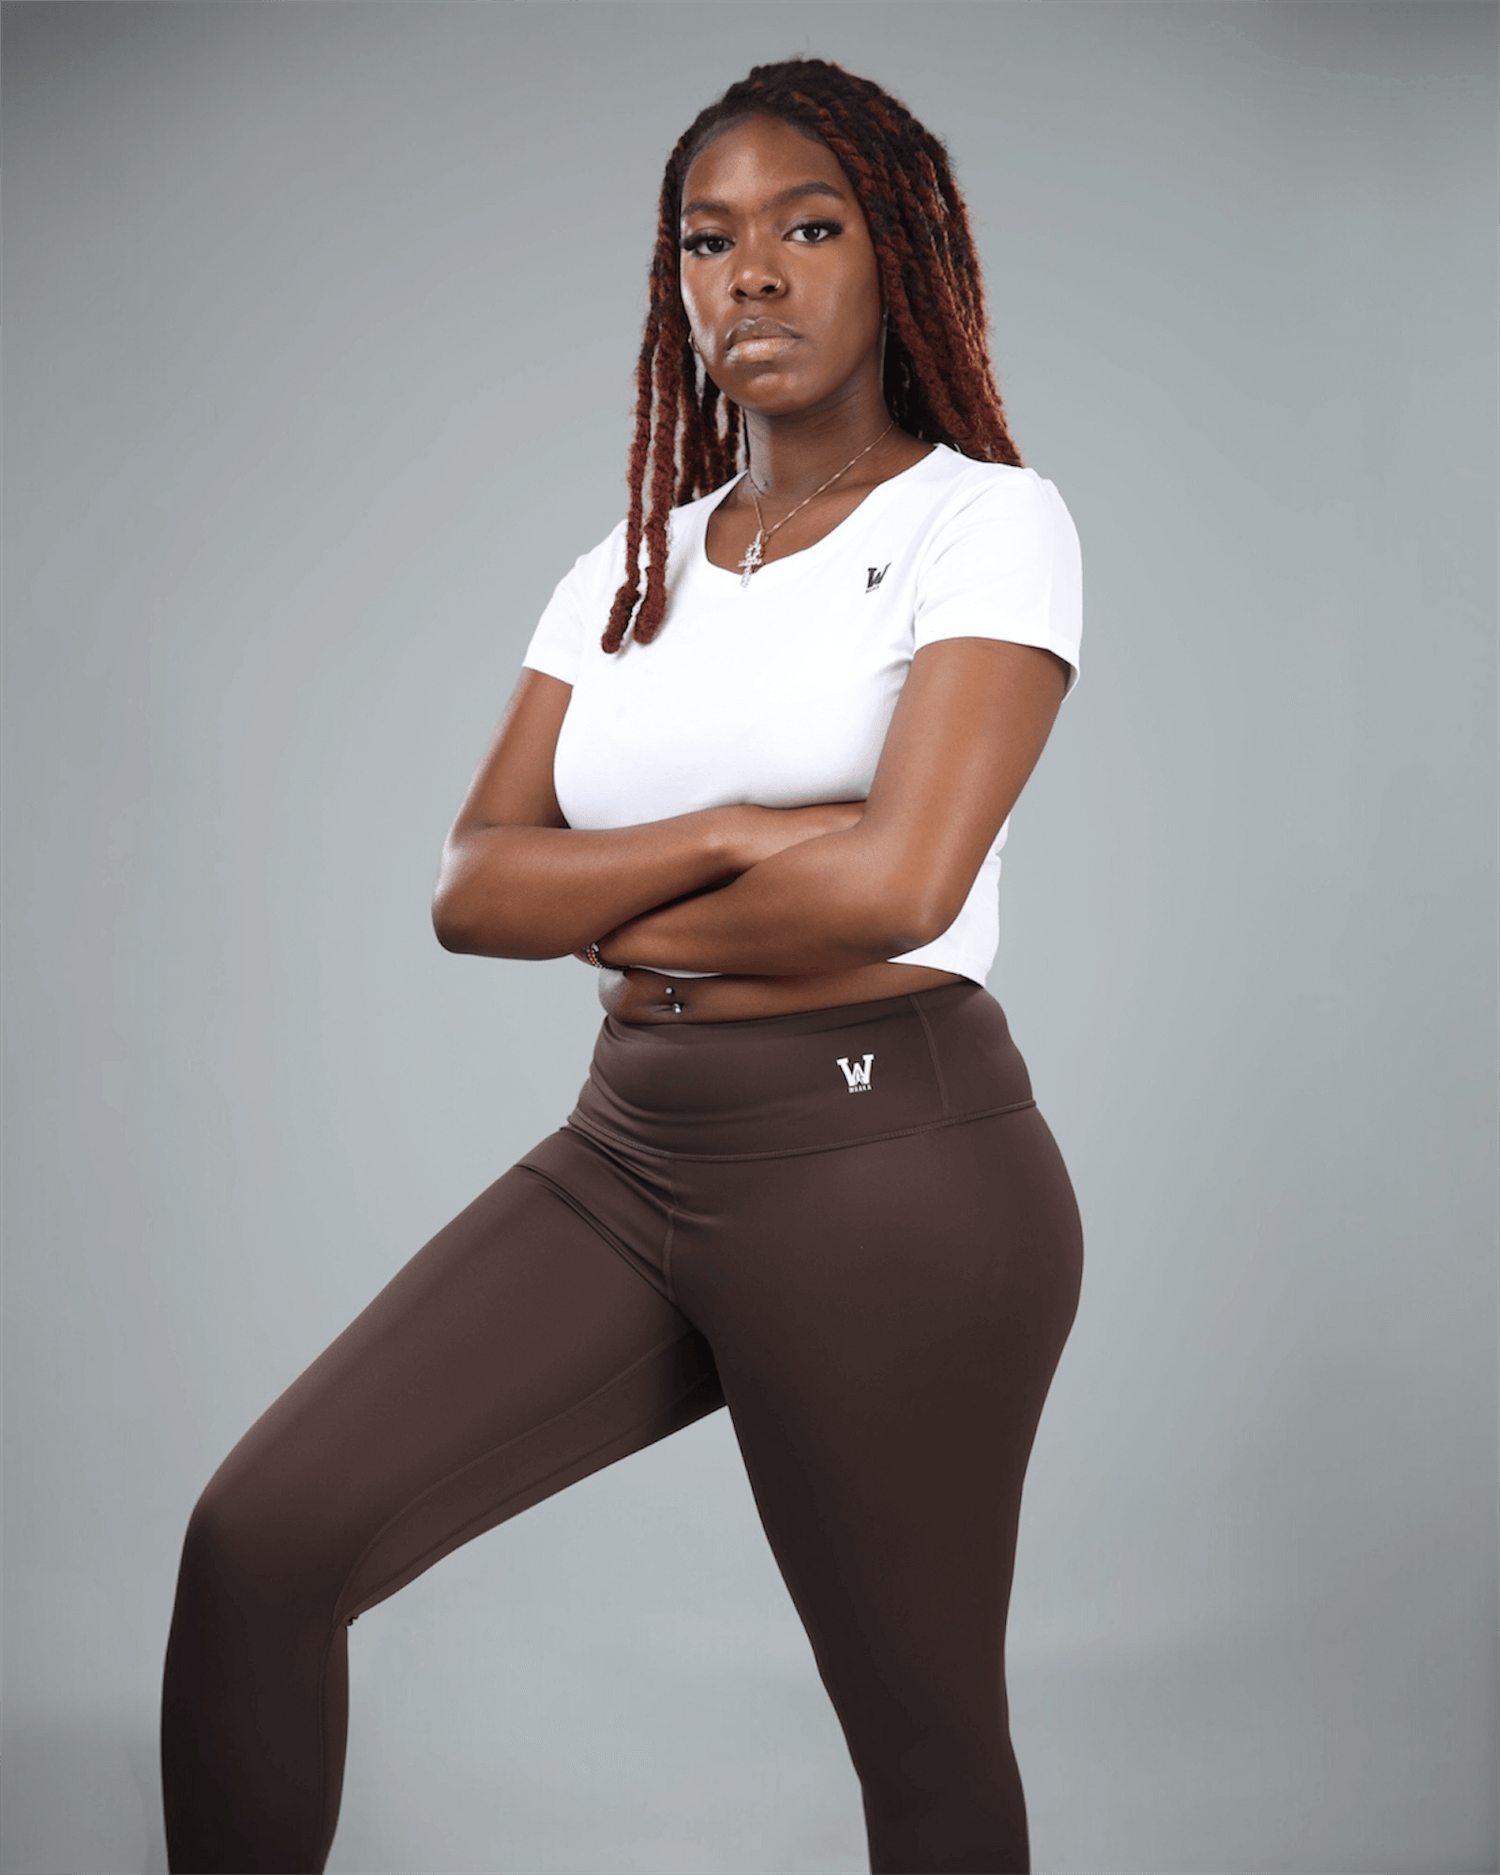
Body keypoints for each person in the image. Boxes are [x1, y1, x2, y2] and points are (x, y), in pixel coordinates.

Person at [160, 57, 1085, 1875]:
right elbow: (469, 882)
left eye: (807, 227)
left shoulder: (983, 522)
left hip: (892, 1167)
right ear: (675, 284)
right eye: (708, 238)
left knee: (920, 1741)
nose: (752, 274)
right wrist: (744, 829)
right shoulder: (622, 571)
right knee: (260, 1546)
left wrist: (601, 901)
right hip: (629, 1151)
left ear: (896, 254)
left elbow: (902, 881)